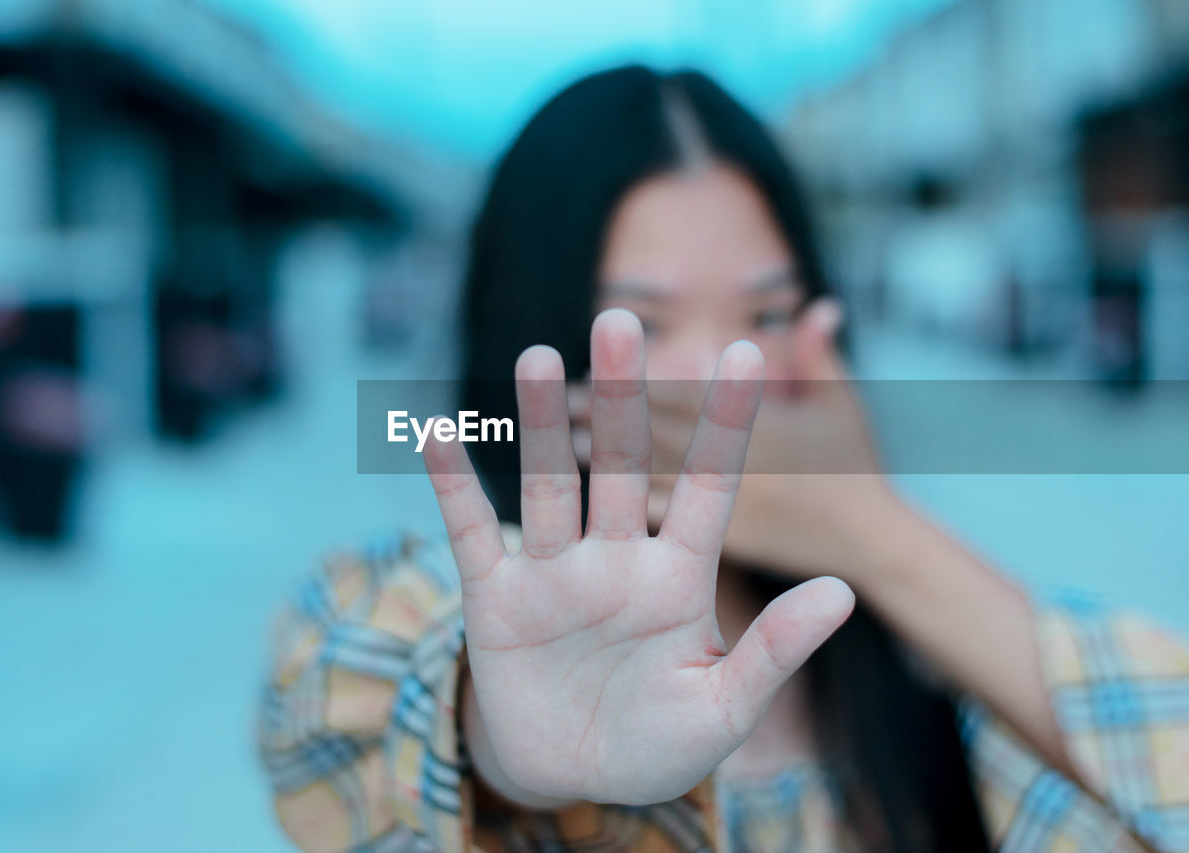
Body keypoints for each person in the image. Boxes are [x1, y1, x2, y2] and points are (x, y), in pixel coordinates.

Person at [258, 66, 1189, 852]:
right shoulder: (400, 609)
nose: (721, 374)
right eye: (642, 324)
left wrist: (874, 535)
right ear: (528, 344)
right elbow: (338, 702)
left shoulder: (934, 678)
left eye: (767, 317)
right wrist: (497, 734)